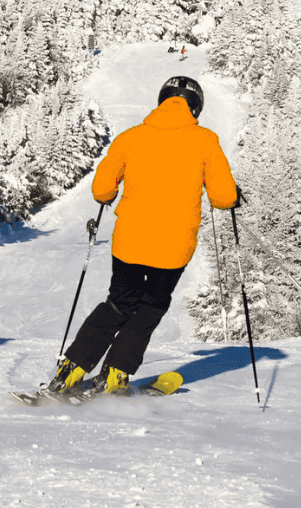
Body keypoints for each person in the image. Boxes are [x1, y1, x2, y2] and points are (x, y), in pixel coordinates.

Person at [43, 76, 238, 397]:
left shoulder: (130, 137)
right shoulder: (206, 140)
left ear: (162, 101)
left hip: (129, 241)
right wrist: (234, 196)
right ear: (195, 108)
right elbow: (222, 198)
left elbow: (102, 189)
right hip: (173, 247)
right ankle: (116, 374)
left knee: (119, 303)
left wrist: (112, 192)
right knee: (151, 306)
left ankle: (72, 369)